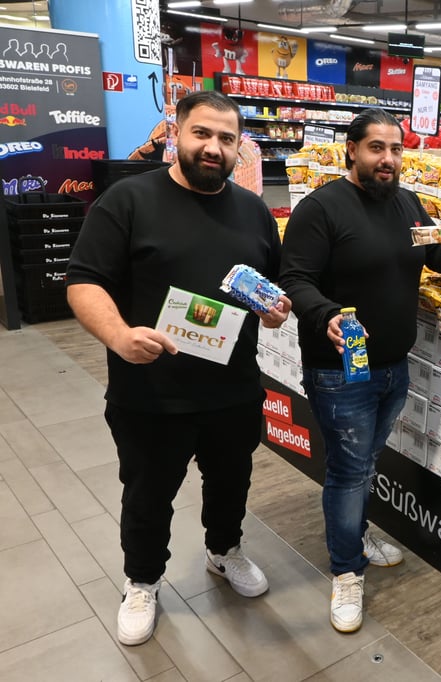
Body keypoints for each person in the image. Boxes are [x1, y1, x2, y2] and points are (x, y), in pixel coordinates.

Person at [66, 90, 291, 647]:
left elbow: (271, 294)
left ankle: (224, 552)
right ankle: (142, 581)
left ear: (240, 148)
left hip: (233, 390)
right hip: (150, 393)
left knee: (231, 483)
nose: (213, 147)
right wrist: (119, 335)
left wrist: (275, 313)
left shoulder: (254, 211)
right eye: (202, 134)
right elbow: (83, 280)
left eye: (226, 138)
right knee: (147, 494)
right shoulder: (129, 200)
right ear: (176, 135)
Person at [277, 108, 441, 634]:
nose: (388, 159)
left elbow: (435, 260)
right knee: (347, 470)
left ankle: (354, 537)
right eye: (376, 148)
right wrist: (324, 315)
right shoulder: (321, 209)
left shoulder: (407, 202)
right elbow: (294, 279)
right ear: (352, 150)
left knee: (365, 464)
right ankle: (345, 570)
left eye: (396, 150)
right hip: (340, 370)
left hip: (392, 365)